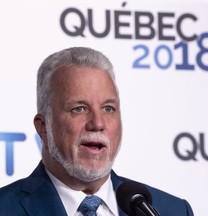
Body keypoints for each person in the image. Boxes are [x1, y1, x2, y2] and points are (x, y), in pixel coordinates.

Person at [0, 47, 194, 216]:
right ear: (43, 126)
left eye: (108, 108)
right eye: (79, 109)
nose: (98, 123)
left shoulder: (172, 210)